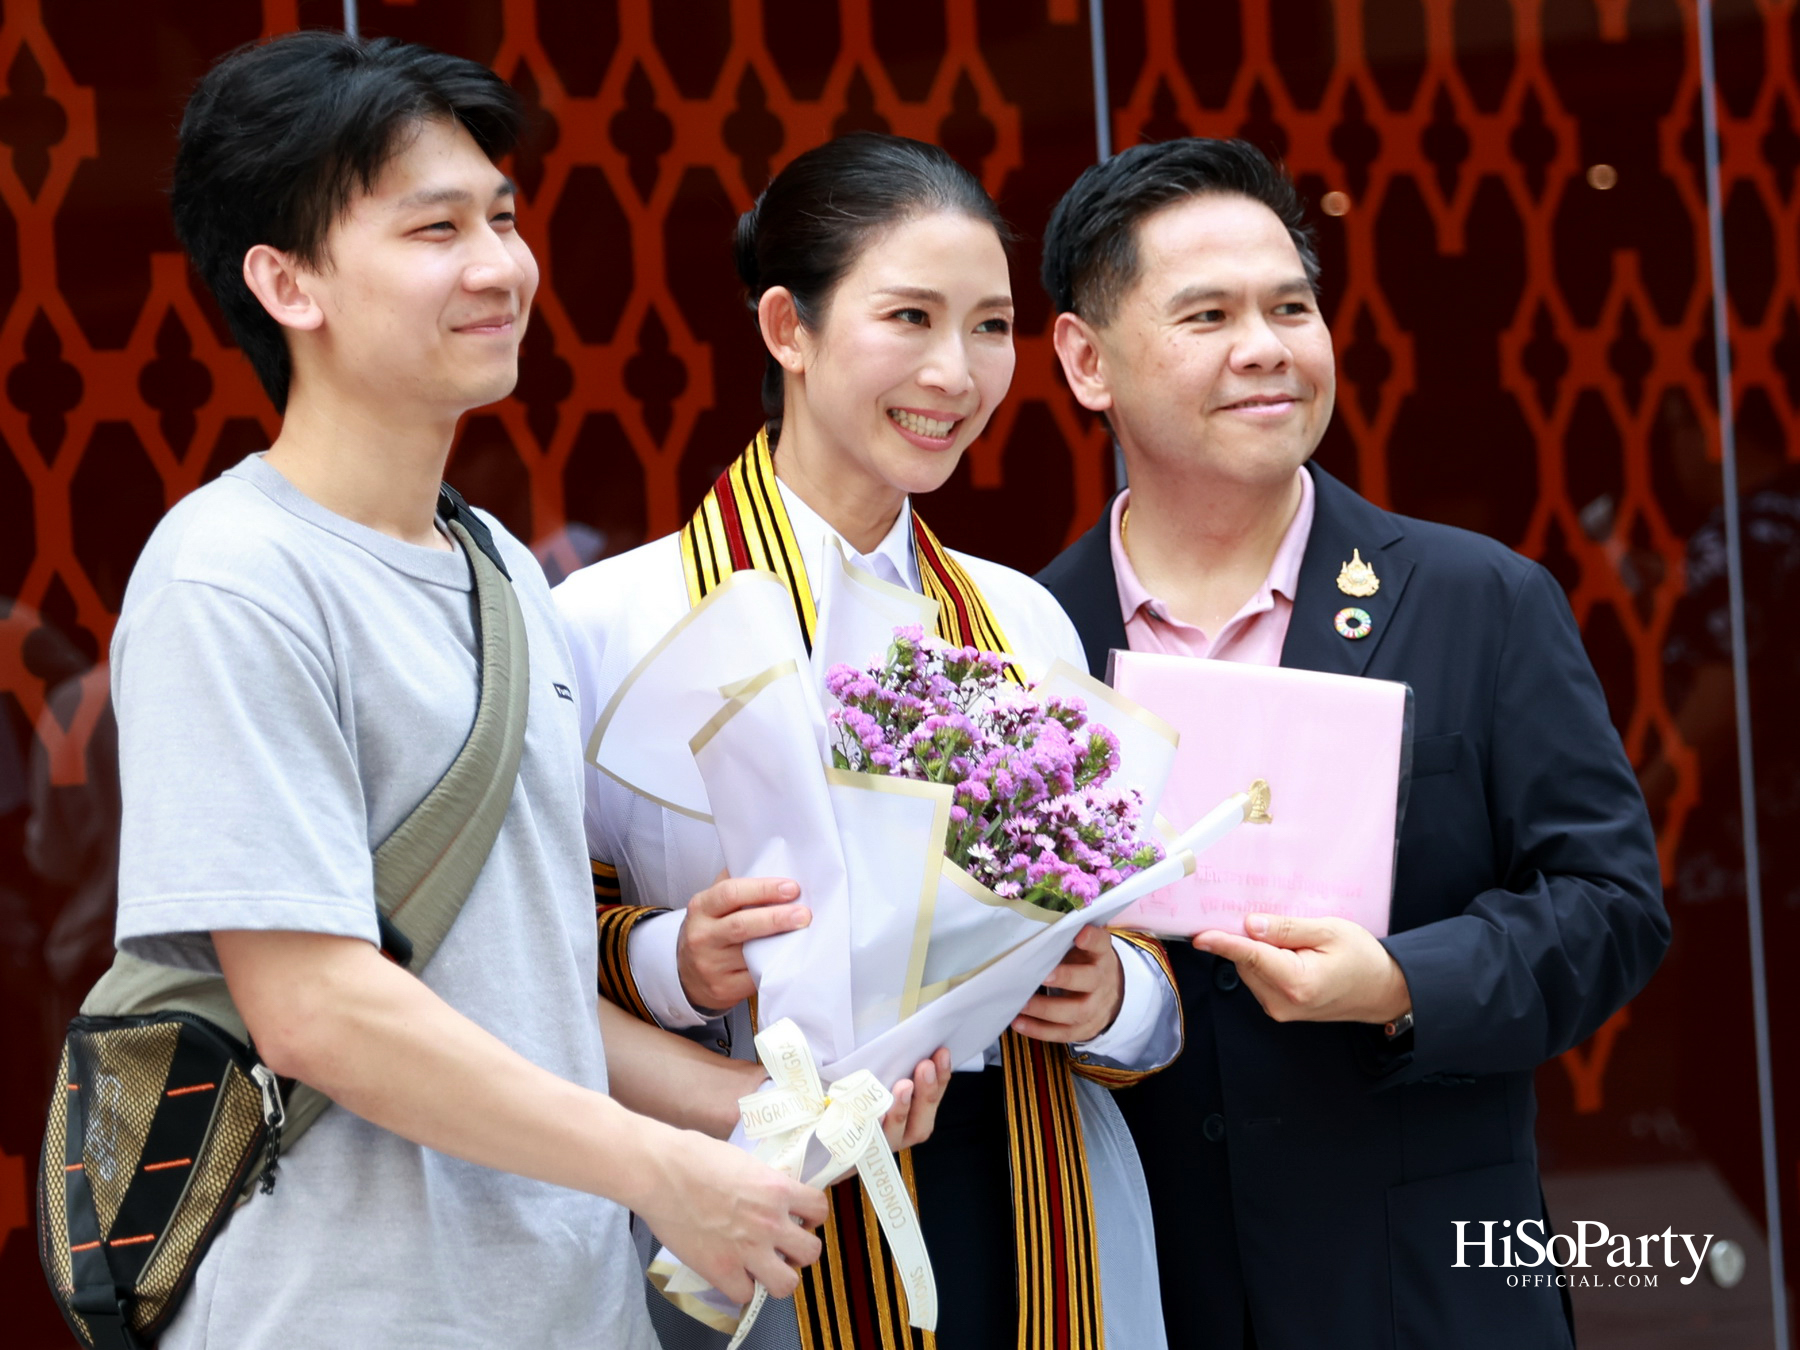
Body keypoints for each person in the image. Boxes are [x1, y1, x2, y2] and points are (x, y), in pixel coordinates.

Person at [114, 33, 858, 1348]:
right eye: (434, 227)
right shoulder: (231, 577)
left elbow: (518, 986)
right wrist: (656, 1168)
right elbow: (316, 1005)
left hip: (568, 1309)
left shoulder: (497, 565)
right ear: (286, 281)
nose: (498, 265)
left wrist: (753, 1104)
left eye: (502, 219)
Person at [1034, 138, 1671, 1349]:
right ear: (1085, 359)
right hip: (1144, 1290)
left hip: (1424, 1293)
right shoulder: (1030, 641)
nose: (1268, 346)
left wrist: (1397, 983)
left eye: (1292, 307)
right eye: (1208, 314)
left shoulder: (1478, 600)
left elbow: (1611, 906)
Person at [555, 132, 1177, 1350]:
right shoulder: (606, 621)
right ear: (787, 328)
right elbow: (523, 962)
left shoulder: (1019, 613)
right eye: (910, 318)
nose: (958, 371)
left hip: (1037, 1198)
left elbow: (1136, 934)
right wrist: (683, 957)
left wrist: (1110, 994)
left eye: (991, 326)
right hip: (765, 1205)